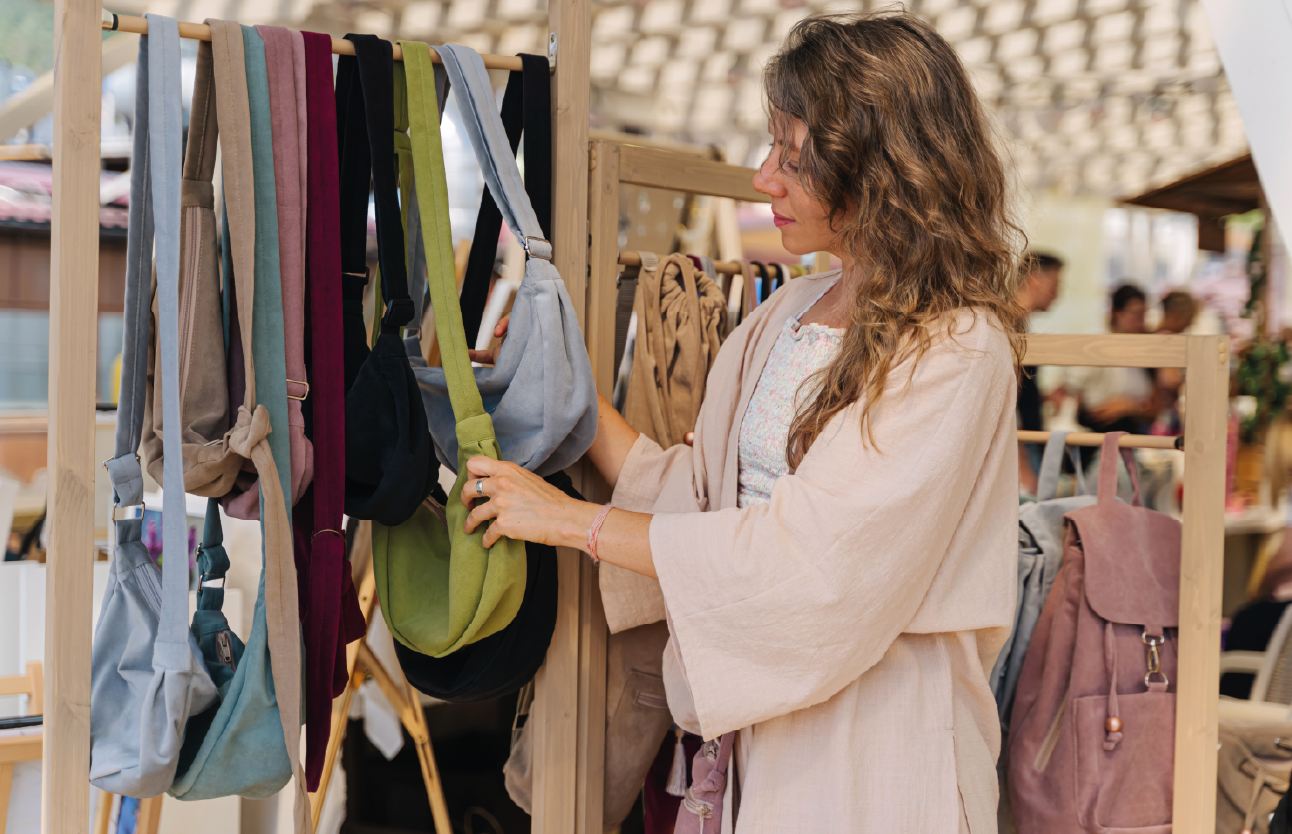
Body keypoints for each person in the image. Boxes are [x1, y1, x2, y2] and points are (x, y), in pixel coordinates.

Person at [460, 12, 1023, 831]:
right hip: (771, 736)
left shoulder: (956, 349)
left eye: (794, 158)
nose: (765, 179)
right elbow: (700, 495)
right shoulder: (786, 314)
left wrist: (570, 521)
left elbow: (810, 563)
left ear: (883, 167)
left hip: (878, 752)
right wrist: (570, 393)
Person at [1071, 283, 1156, 435]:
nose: (1141, 321)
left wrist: (1129, 407)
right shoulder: (1098, 345)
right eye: (1135, 314)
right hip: (1096, 431)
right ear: (1117, 313)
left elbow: (1154, 406)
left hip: (1135, 431)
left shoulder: (1145, 349)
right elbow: (1074, 388)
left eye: (1144, 315)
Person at [1016, 252, 1063, 493]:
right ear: (1035, 281)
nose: (1058, 294)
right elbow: (1007, 403)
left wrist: (1043, 396)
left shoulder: (1019, 323)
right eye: (1056, 284)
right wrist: (1023, 467)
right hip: (1021, 445)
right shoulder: (1011, 323)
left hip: (1026, 441)